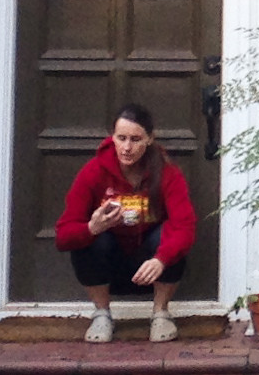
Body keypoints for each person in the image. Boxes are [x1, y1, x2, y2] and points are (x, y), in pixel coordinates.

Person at [52, 102, 196, 343]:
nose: (127, 147)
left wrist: (162, 258)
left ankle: (160, 312)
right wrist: (91, 228)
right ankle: (102, 313)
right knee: (91, 239)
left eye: (136, 139)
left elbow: (185, 226)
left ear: (150, 139)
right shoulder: (94, 172)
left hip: (151, 265)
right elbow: (63, 235)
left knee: (169, 236)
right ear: (113, 137)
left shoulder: (168, 173)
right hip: (109, 265)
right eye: (121, 138)